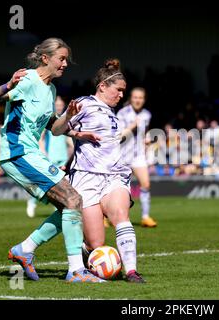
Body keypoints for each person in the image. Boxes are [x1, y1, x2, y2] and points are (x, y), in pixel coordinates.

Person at [0, 38, 103, 283]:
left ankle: (25, 250)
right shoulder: (26, 80)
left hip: (32, 153)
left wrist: (72, 123)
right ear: (45, 58)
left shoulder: (51, 90)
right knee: (73, 199)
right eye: (62, 58)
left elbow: (53, 128)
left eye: (67, 59)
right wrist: (7, 85)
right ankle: (76, 271)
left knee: (69, 205)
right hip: (17, 153)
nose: (65, 64)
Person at [67, 59, 145, 283]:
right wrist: (76, 132)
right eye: (118, 90)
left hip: (114, 175)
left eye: (123, 91)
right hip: (85, 177)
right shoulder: (83, 104)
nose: (122, 95)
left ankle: (131, 271)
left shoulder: (112, 112)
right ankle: (85, 254)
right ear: (102, 86)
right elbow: (57, 129)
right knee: (95, 244)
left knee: (121, 215)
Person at [26, 96, 73, 218]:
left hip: (63, 157)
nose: (59, 107)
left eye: (61, 105)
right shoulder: (50, 119)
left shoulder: (65, 120)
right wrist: (43, 152)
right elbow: (41, 137)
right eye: (57, 105)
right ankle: (32, 202)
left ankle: (58, 206)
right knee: (44, 183)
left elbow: (68, 139)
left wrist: (72, 149)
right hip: (50, 156)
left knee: (62, 184)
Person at [117, 87, 157, 227]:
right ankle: (108, 216)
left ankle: (145, 217)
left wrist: (146, 138)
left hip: (138, 155)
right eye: (135, 97)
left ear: (144, 100)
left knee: (146, 184)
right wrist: (133, 125)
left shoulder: (146, 114)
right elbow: (119, 135)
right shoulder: (122, 113)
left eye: (140, 98)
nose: (138, 100)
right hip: (123, 155)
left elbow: (144, 132)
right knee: (119, 189)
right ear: (131, 98)